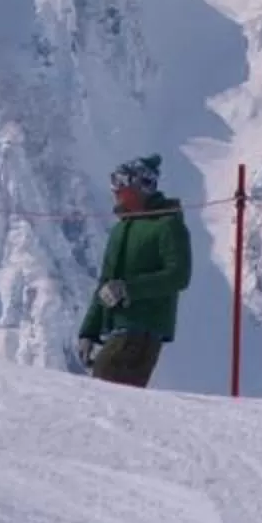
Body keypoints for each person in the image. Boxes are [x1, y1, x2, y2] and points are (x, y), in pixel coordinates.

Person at [77, 155, 191, 388]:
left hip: (145, 329)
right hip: (118, 329)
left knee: (105, 392)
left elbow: (178, 275)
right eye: (113, 181)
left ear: (142, 185)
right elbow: (105, 283)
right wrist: (89, 331)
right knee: (104, 390)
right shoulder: (121, 229)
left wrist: (129, 289)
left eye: (121, 181)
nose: (115, 189)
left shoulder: (167, 225)